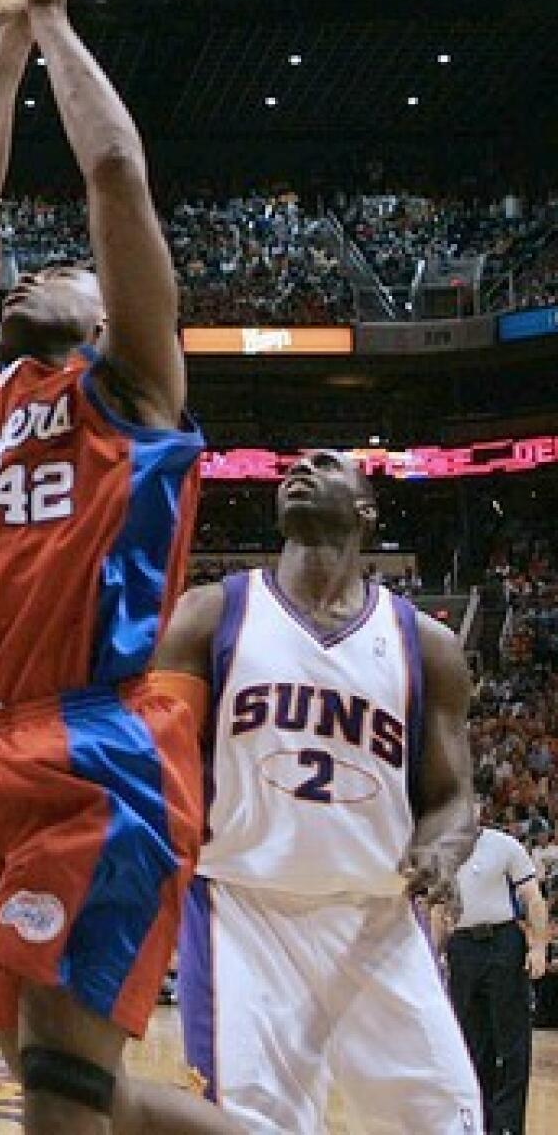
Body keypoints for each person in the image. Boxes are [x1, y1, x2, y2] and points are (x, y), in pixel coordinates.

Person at [0, 0, 235, 1135]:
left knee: (57, 1088)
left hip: (97, 747)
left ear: (102, 316)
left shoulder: (137, 386)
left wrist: (53, 16)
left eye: (58, 271)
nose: (26, 278)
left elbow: (112, 170)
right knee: (66, 1082)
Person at [157, 448, 485, 1134]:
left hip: (379, 917)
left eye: (327, 464)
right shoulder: (209, 616)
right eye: (293, 469)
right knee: (248, 1126)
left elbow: (454, 799)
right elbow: (155, 765)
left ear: (366, 509)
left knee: (446, 1122)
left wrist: (439, 853)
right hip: (242, 911)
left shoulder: (426, 646)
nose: (301, 468)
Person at [440, 818, 549, 1135]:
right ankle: (480, 1122)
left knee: (512, 1042)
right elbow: (440, 910)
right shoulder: (443, 853)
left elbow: (533, 899)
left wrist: (538, 947)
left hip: (503, 942)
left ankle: (509, 1127)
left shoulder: (503, 845)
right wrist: (434, 959)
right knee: (472, 1042)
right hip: (462, 947)